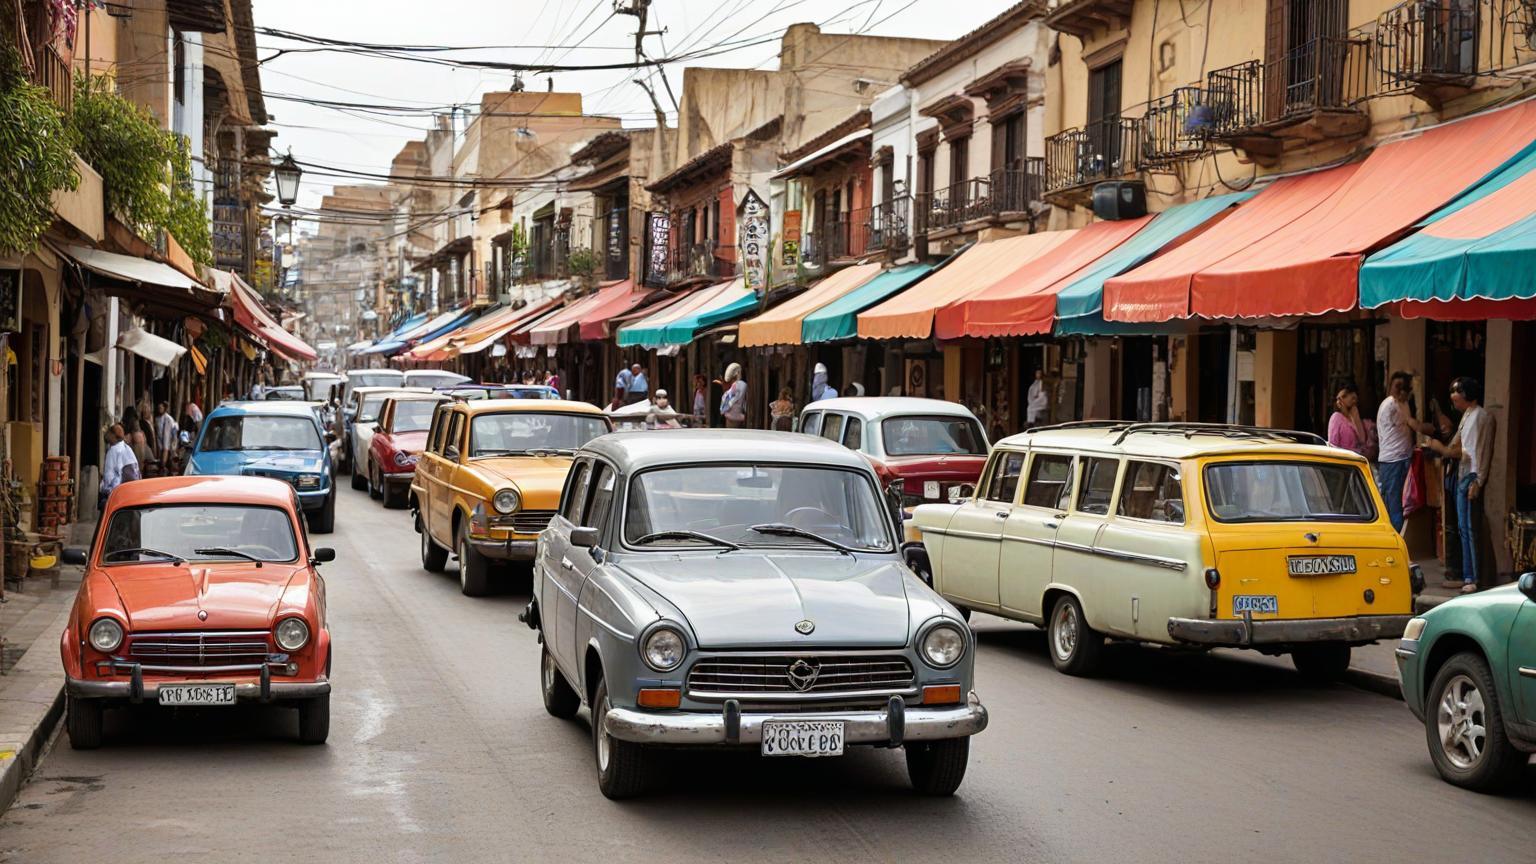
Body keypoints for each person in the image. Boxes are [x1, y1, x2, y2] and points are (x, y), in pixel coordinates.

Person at [1427, 377, 1495, 594]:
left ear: (1466, 395)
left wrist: (1478, 480)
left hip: (1470, 475)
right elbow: (1458, 440)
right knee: (1463, 528)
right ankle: (1467, 574)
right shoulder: (1468, 415)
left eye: (1457, 396)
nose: (1454, 402)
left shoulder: (1479, 417)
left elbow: (1474, 452)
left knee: (1469, 529)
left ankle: (1472, 577)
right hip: (1464, 475)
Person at [1375, 371, 1435, 533]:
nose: (1400, 391)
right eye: (1397, 387)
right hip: (1392, 462)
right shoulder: (1391, 405)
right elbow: (1416, 426)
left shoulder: (1403, 404)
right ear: (1391, 388)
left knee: (1404, 503)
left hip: (1403, 458)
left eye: (1403, 388)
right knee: (1394, 506)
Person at [99, 424, 138, 511]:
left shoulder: (113, 451)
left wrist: (103, 489)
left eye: (109, 432)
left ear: (114, 436)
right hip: (132, 493)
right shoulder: (127, 448)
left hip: (119, 495)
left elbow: (108, 479)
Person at [1326, 382, 1368, 457]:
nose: (1354, 401)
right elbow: (1332, 445)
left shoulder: (1353, 418)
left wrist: (1356, 419)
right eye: (1352, 398)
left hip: (1355, 461)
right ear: (1342, 398)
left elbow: (1362, 441)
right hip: (1343, 460)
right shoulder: (1336, 417)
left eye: (1356, 399)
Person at [719, 363, 747, 428]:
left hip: (733, 417)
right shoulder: (743, 385)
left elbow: (727, 403)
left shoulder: (737, 385)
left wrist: (723, 410)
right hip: (739, 417)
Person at [154, 401, 178, 468]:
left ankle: (163, 466)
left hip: (168, 440)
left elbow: (166, 436)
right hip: (160, 440)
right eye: (159, 408)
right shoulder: (157, 418)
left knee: (166, 451)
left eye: (161, 408)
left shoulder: (168, 419)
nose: (159, 409)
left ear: (164, 408)